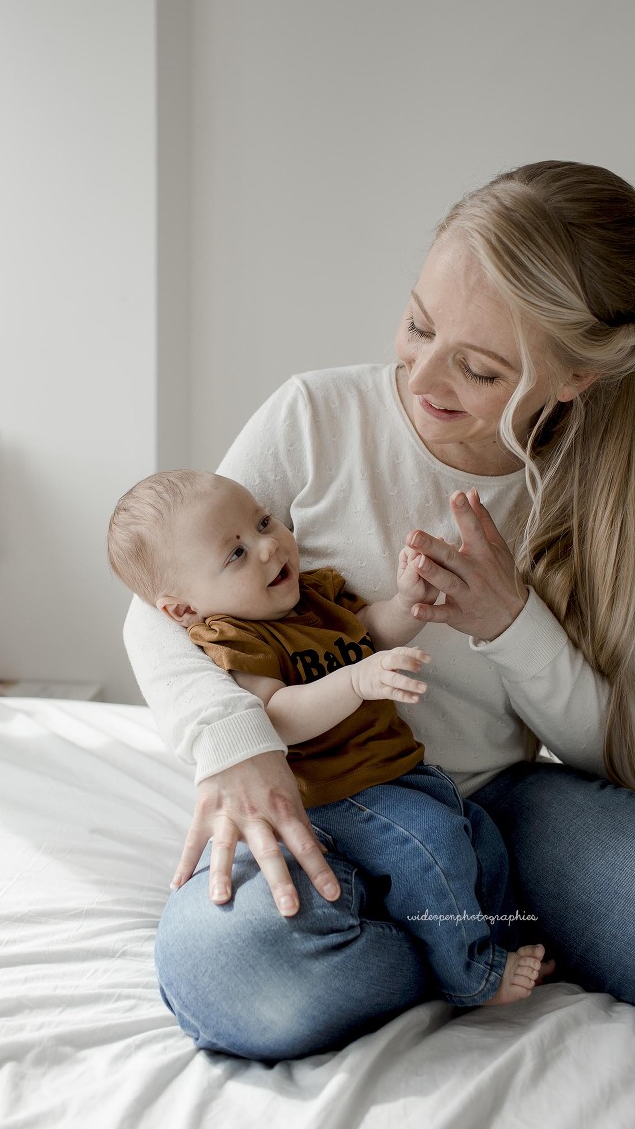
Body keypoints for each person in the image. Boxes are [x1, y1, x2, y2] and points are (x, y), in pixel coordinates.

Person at [123, 160, 635, 1060]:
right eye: (417, 324)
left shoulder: (599, 493)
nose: (423, 373)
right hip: (324, 798)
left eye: (477, 369)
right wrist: (232, 743)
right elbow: (159, 608)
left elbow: (607, 748)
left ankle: (468, 918)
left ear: (574, 380)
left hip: (497, 810)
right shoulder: (318, 417)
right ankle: (459, 945)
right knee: (239, 975)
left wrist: (511, 622)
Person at [108, 469, 553, 1009]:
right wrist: (356, 681)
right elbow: (275, 716)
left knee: (477, 836)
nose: (269, 547)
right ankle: (471, 978)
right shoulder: (233, 636)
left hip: (393, 771)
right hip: (333, 792)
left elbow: (368, 632)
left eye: (264, 522)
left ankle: (498, 942)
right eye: (236, 554)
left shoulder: (315, 596)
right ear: (183, 610)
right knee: (429, 843)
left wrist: (408, 599)